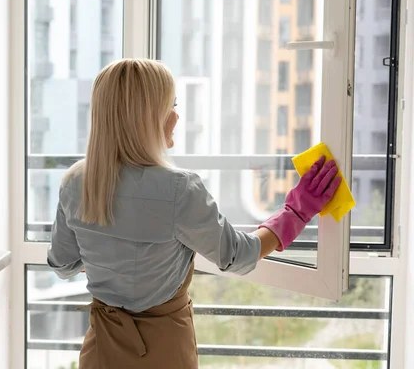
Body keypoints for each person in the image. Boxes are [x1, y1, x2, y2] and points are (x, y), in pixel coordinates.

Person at [47, 59, 340, 369]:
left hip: (100, 351)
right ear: (150, 118)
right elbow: (238, 256)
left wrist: (103, 253)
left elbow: (63, 264)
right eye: (171, 105)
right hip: (165, 352)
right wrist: (297, 210)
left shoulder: (75, 182)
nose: (176, 115)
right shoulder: (179, 190)